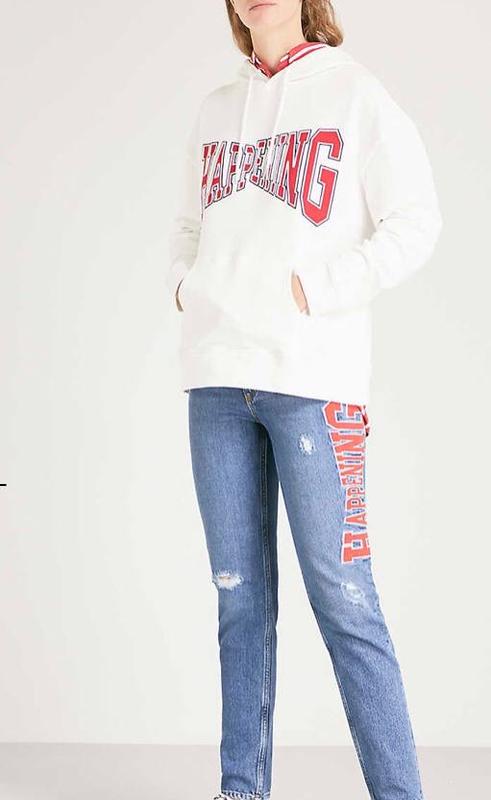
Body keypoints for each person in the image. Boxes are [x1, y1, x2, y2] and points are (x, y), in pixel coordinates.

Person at [166, 2, 442, 799]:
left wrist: (318, 288)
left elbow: (415, 220)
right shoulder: (216, 108)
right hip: (217, 379)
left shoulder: (353, 93)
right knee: (238, 602)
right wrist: (186, 287)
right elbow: (187, 226)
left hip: (315, 386)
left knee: (346, 602)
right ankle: (240, 789)